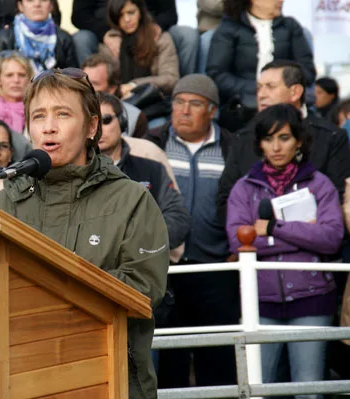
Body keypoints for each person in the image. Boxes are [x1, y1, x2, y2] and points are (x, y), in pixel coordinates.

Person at [0, 67, 169, 399]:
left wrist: (53, 289)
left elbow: (144, 289)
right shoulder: (7, 202)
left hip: (108, 381)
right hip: (24, 378)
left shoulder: (131, 200)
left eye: (63, 114)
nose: (49, 126)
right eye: (38, 116)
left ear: (91, 126)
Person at [227, 104, 344, 394]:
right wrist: (304, 234)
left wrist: (273, 228)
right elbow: (239, 242)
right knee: (259, 388)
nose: (276, 147)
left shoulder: (321, 185)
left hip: (312, 298)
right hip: (261, 301)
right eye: (268, 139)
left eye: (284, 137)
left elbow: (331, 237)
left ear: (299, 140)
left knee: (309, 390)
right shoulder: (243, 188)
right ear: (259, 144)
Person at [145, 74, 239, 388]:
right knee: (171, 360)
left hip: (216, 267)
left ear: (212, 111)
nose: (184, 110)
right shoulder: (154, 143)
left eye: (194, 104)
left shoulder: (232, 147)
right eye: (179, 102)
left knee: (217, 358)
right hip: (167, 268)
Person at [217, 60, 350, 225]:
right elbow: (225, 201)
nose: (261, 95)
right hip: (258, 244)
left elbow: (340, 201)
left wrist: (289, 233)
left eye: (270, 87)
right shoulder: (242, 138)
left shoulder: (332, 137)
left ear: (295, 92)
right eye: (259, 87)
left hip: (313, 245)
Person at [98, 92, 190, 252]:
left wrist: (140, 243)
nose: (98, 129)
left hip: (144, 266)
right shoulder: (75, 171)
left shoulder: (152, 169)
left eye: (105, 120)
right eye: (92, 122)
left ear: (123, 122)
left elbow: (178, 220)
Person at [206, 0, 315, 110]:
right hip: (242, 103)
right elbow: (218, 75)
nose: (281, 0)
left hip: (286, 103)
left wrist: (282, 88)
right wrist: (260, 88)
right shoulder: (229, 29)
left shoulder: (290, 26)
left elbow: (307, 71)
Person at [71, 0, 199, 76]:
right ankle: (91, 94)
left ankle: (185, 93)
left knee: (188, 35)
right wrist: (104, 34)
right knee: (81, 39)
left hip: (150, 27)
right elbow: (79, 15)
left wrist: (154, 27)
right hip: (105, 32)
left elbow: (170, 14)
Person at [107, 0, 180, 99]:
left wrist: (134, 85)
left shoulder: (160, 39)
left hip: (154, 100)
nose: (127, 19)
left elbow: (170, 79)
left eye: (131, 12)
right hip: (119, 103)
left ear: (140, 12)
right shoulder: (111, 42)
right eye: (120, 16)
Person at [0, 0, 77, 73]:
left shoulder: (64, 38)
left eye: (43, 0)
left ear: (51, 6)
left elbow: (72, 77)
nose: (37, 4)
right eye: (30, 0)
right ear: (20, 6)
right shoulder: (3, 37)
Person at [82, 53, 148, 138]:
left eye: (94, 84)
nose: (86, 88)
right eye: (83, 83)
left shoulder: (135, 118)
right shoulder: (66, 111)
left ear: (112, 88)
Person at [0, 51, 35, 133]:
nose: (16, 80)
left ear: (29, 79)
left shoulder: (37, 108)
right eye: (9, 75)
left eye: (21, 75)